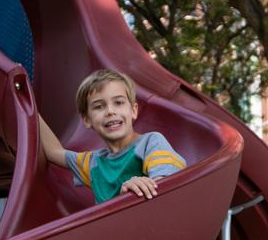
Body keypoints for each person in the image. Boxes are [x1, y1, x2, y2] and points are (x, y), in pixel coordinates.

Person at [33, 68, 185, 202]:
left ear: (133, 110)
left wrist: (137, 191)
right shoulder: (93, 163)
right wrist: (28, 103)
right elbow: (54, 152)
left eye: (118, 103)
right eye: (99, 106)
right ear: (87, 120)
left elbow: (168, 188)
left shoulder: (151, 143)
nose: (110, 111)